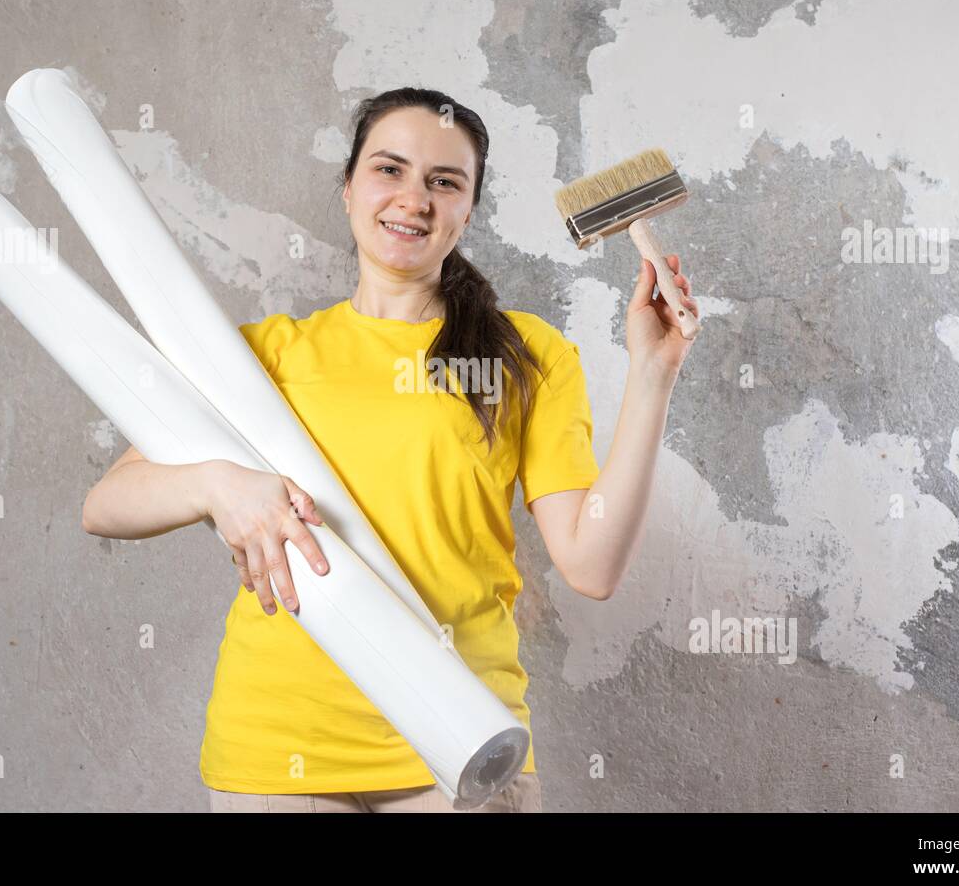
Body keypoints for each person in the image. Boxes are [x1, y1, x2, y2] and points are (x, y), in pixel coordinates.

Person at [81, 87, 698, 813]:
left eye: (444, 181)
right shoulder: (260, 357)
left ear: (468, 209)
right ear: (347, 188)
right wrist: (219, 485)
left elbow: (591, 565)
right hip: (280, 748)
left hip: (463, 742)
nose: (414, 198)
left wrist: (653, 375)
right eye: (390, 170)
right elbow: (106, 505)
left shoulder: (526, 354)